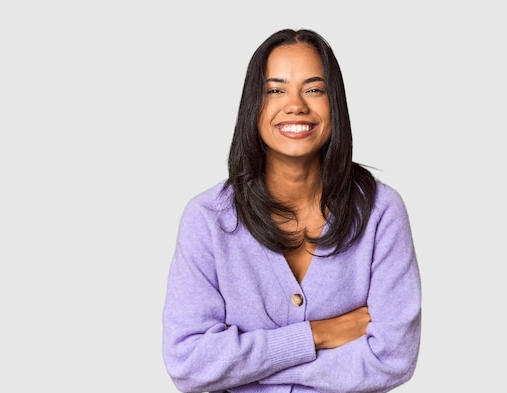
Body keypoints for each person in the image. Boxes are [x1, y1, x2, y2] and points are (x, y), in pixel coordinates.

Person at [162, 28, 422, 393]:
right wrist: (316, 335)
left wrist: (241, 366)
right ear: (254, 106)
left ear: (335, 104)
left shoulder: (381, 211)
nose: (296, 104)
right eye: (275, 90)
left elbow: (393, 359)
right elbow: (188, 362)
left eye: (314, 89)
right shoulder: (208, 219)